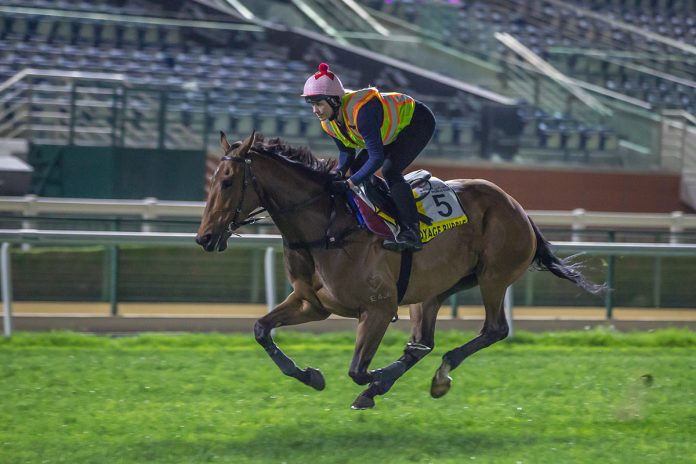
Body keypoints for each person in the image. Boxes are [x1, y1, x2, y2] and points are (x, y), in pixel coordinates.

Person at [301, 63, 436, 251]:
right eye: (312, 105)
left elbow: (376, 158)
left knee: (390, 170)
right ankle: (387, 210)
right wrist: (339, 174)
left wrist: (349, 183)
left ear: (334, 101)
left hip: (417, 122)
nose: (315, 110)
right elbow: (346, 152)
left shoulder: (362, 112)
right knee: (357, 169)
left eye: (319, 104)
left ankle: (412, 232)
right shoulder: (328, 122)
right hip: (389, 130)